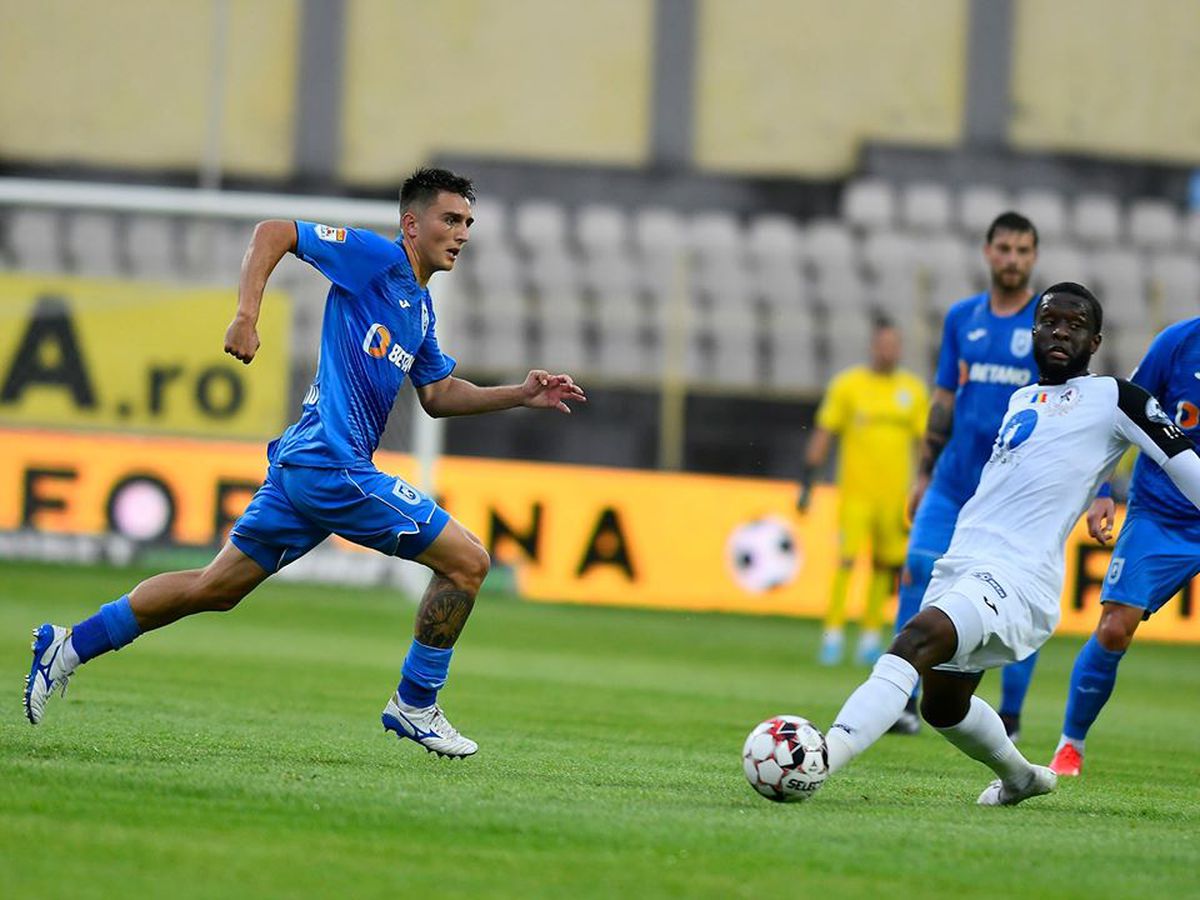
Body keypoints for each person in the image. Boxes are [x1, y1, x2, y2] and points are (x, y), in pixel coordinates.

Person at [23, 167, 587, 759]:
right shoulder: (373, 258)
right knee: (469, 562)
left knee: (214, 588)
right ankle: (416, 703)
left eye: (468, 222)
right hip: (331, 466)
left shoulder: (418, 308)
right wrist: (246, 314)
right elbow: (275, 232)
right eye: (450, 219)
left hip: (305, 468)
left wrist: (521, 394)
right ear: (411, 223)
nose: (462, 233)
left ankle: (68, 644)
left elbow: (438, 394)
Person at [820, 284, 1200, 806]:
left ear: (1095, 342)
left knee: (912, 640)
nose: (1061, 331)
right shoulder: (1022, 399)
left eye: (1075, 324)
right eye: (1050, 321)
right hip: (964, 564)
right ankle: (1022, 778)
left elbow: (1186, 466)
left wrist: (1112, 492)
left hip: (1017, 578)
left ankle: (817, 760)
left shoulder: (1117, 396)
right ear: (1033, 332)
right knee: (943, 707)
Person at [892, 211, 1041, 738]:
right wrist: (923, 473)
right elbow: (943, 400)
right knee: (917, 566)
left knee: (1016, 595)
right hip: (953, 480)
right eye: (1004, 249)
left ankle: (1013, 714)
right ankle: (901, 699)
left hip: (1012, 493)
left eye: (1023, 251)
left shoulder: (1045, 326)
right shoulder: (961, 318)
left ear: (1034, 258)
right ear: (988, 252)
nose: (1012, 260)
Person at [1049, 316, 1200, 777]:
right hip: (1163, 516)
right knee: (1115, 627)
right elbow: (1121, 413)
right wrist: (1101, 491)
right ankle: (1070, 745)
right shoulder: (1176, 344)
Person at [798, 318, 927, 665]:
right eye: (882, 344)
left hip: (894, 497)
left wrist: (925, 484)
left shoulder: (912, 391)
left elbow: (925, 443)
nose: (888, 351)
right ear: (873, 347)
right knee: (845, 562)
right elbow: (825, 431)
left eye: (894, 345)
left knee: (885, 567)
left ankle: (871, 637)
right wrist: (808, 480)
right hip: (855, 495)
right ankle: (833, 635)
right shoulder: (848, 386)